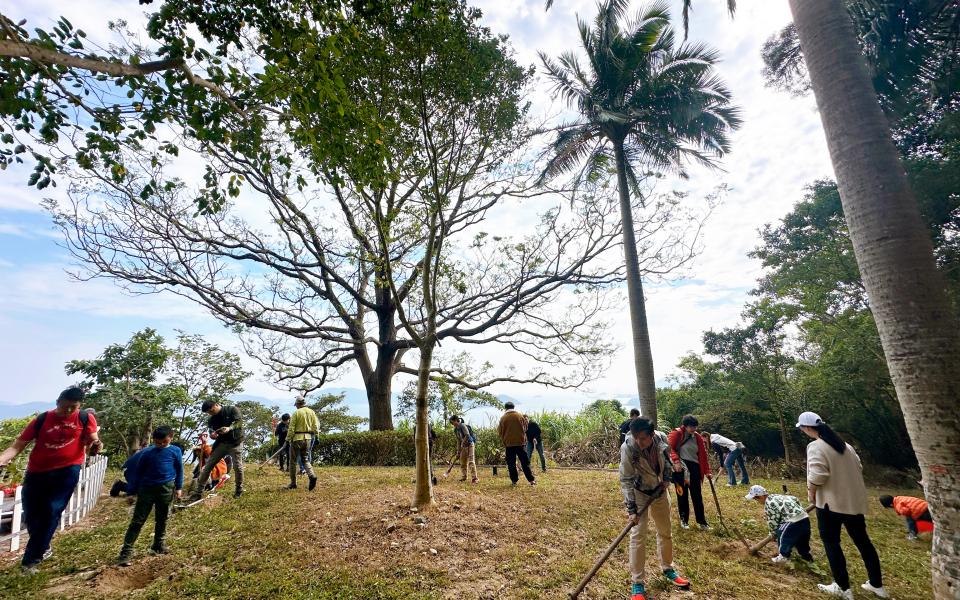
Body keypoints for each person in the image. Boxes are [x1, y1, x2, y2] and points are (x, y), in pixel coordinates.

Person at [0, 386, 102, 573]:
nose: (69, 411)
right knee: (31, 513)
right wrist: (1, 459)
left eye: (74, 407)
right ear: (57, 403)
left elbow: (93, 439)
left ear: (79, 406)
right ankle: (43, 547)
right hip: (37, 471)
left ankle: (31, 560)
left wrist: (96, 445)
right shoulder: (42, 420)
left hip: (68, 470)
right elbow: (17, 446)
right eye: (65, 407)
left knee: (51, 511)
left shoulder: (85, 418)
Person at [798, 411, 887, 600]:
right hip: (853, 503)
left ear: (807, 428)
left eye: (802, 428)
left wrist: (811, 493)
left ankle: (842, 587)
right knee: (863, 543)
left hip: (830, 505)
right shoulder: (846, 446)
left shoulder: (815, 446)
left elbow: (818, 475)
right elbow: (859, 468)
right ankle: (876, 585)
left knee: (832, 543)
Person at [620, 417, 691, 600]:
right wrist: (631, 509)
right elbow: (626, 479)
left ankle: (668, 568)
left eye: (642, 438)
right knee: (638, 536)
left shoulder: (661, 439)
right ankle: (637, 582)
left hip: (659, 491)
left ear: (652, 435)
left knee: (665, 532)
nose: (638, 441)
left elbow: (667, 460)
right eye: (635, 437)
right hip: (639, 493)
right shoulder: (628, 447)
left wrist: (667, 477)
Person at [117, 426, 184, 566]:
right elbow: (138, 473)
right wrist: (131, 492)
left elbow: (179, 469)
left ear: (170, 438)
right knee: (137, 521)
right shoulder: (147, 453)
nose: (160, 445)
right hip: (146, 490)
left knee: (163, 518)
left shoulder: (175, 451)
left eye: (164, 442)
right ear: (153, 440)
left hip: (166, 489)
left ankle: (158, 544)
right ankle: (126, 552)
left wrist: (179, 487)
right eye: (157, 442)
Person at [189, 400, 244, 500]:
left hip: (235, 443)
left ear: (217, 405)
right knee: (207, 467)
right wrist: (213, 435)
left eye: (212, 410)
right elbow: (211, 431)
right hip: (221, 444)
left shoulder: (232, 410)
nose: (211, 413)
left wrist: (229, 428)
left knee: (238, 467)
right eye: (209, 412)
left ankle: (239, 490)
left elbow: (239, 422)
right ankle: (198, 492)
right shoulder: (211, 420)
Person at [744, 484, 813, 563]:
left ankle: (783, 556)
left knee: (782, 534)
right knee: (802, 540)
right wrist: (799, 509)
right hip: (804, 518)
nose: (757, 501)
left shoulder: (769, 504)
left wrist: (772, 534)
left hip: (792, 521)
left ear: (761, 496)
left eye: (756, 499)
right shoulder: (776, 496)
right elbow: (795, 499)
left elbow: (773, 521)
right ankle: (806, 557)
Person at [667, 415, 711, 530]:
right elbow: (669, 448)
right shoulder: (677, 434)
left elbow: (703, 455)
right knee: (682, 495)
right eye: (691, 427)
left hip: (694, 468)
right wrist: (676, 461)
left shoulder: (697, 437)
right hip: (680, 469)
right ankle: (684, 520)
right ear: (685, 426)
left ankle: (702, 522)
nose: (694, 429)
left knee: (697, 495)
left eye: (695, 427)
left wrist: (707, 471)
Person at [497, 402, 535, 487]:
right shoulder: (520, 416)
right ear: (513, 407)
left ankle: (514, 480)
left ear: (505, 408)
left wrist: (504, 439)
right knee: (525, 462)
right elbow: (525, 428)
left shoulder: (503, 418)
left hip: (509, 444)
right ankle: (531, 480)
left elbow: (500, 431)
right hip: (520, 443)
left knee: (511, 463)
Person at [287, 397, 318, 491]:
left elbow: (291, 428)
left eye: (296, 404)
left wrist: (287, 439)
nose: (296, 406)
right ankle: (312, 475)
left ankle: (293, 484)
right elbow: (316, 426)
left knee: (292, 461)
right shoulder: (311, 412)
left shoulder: (296, 413)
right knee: (305, 459)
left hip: (297, 438)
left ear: (298, 404)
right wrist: (317, 436)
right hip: (308, 438)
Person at [449, 415, 479, 484]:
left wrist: (463, 443)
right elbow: (458, 441)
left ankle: (475, 478)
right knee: (463, 462)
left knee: (471, 461)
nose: (453, 424)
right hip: (463, 447)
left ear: (456, 420)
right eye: (451, 423)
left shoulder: (462, 425)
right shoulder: (455, 430)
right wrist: (458, 451)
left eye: (453, 422)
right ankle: (464, 476)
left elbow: (467, 435)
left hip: (470, 445)